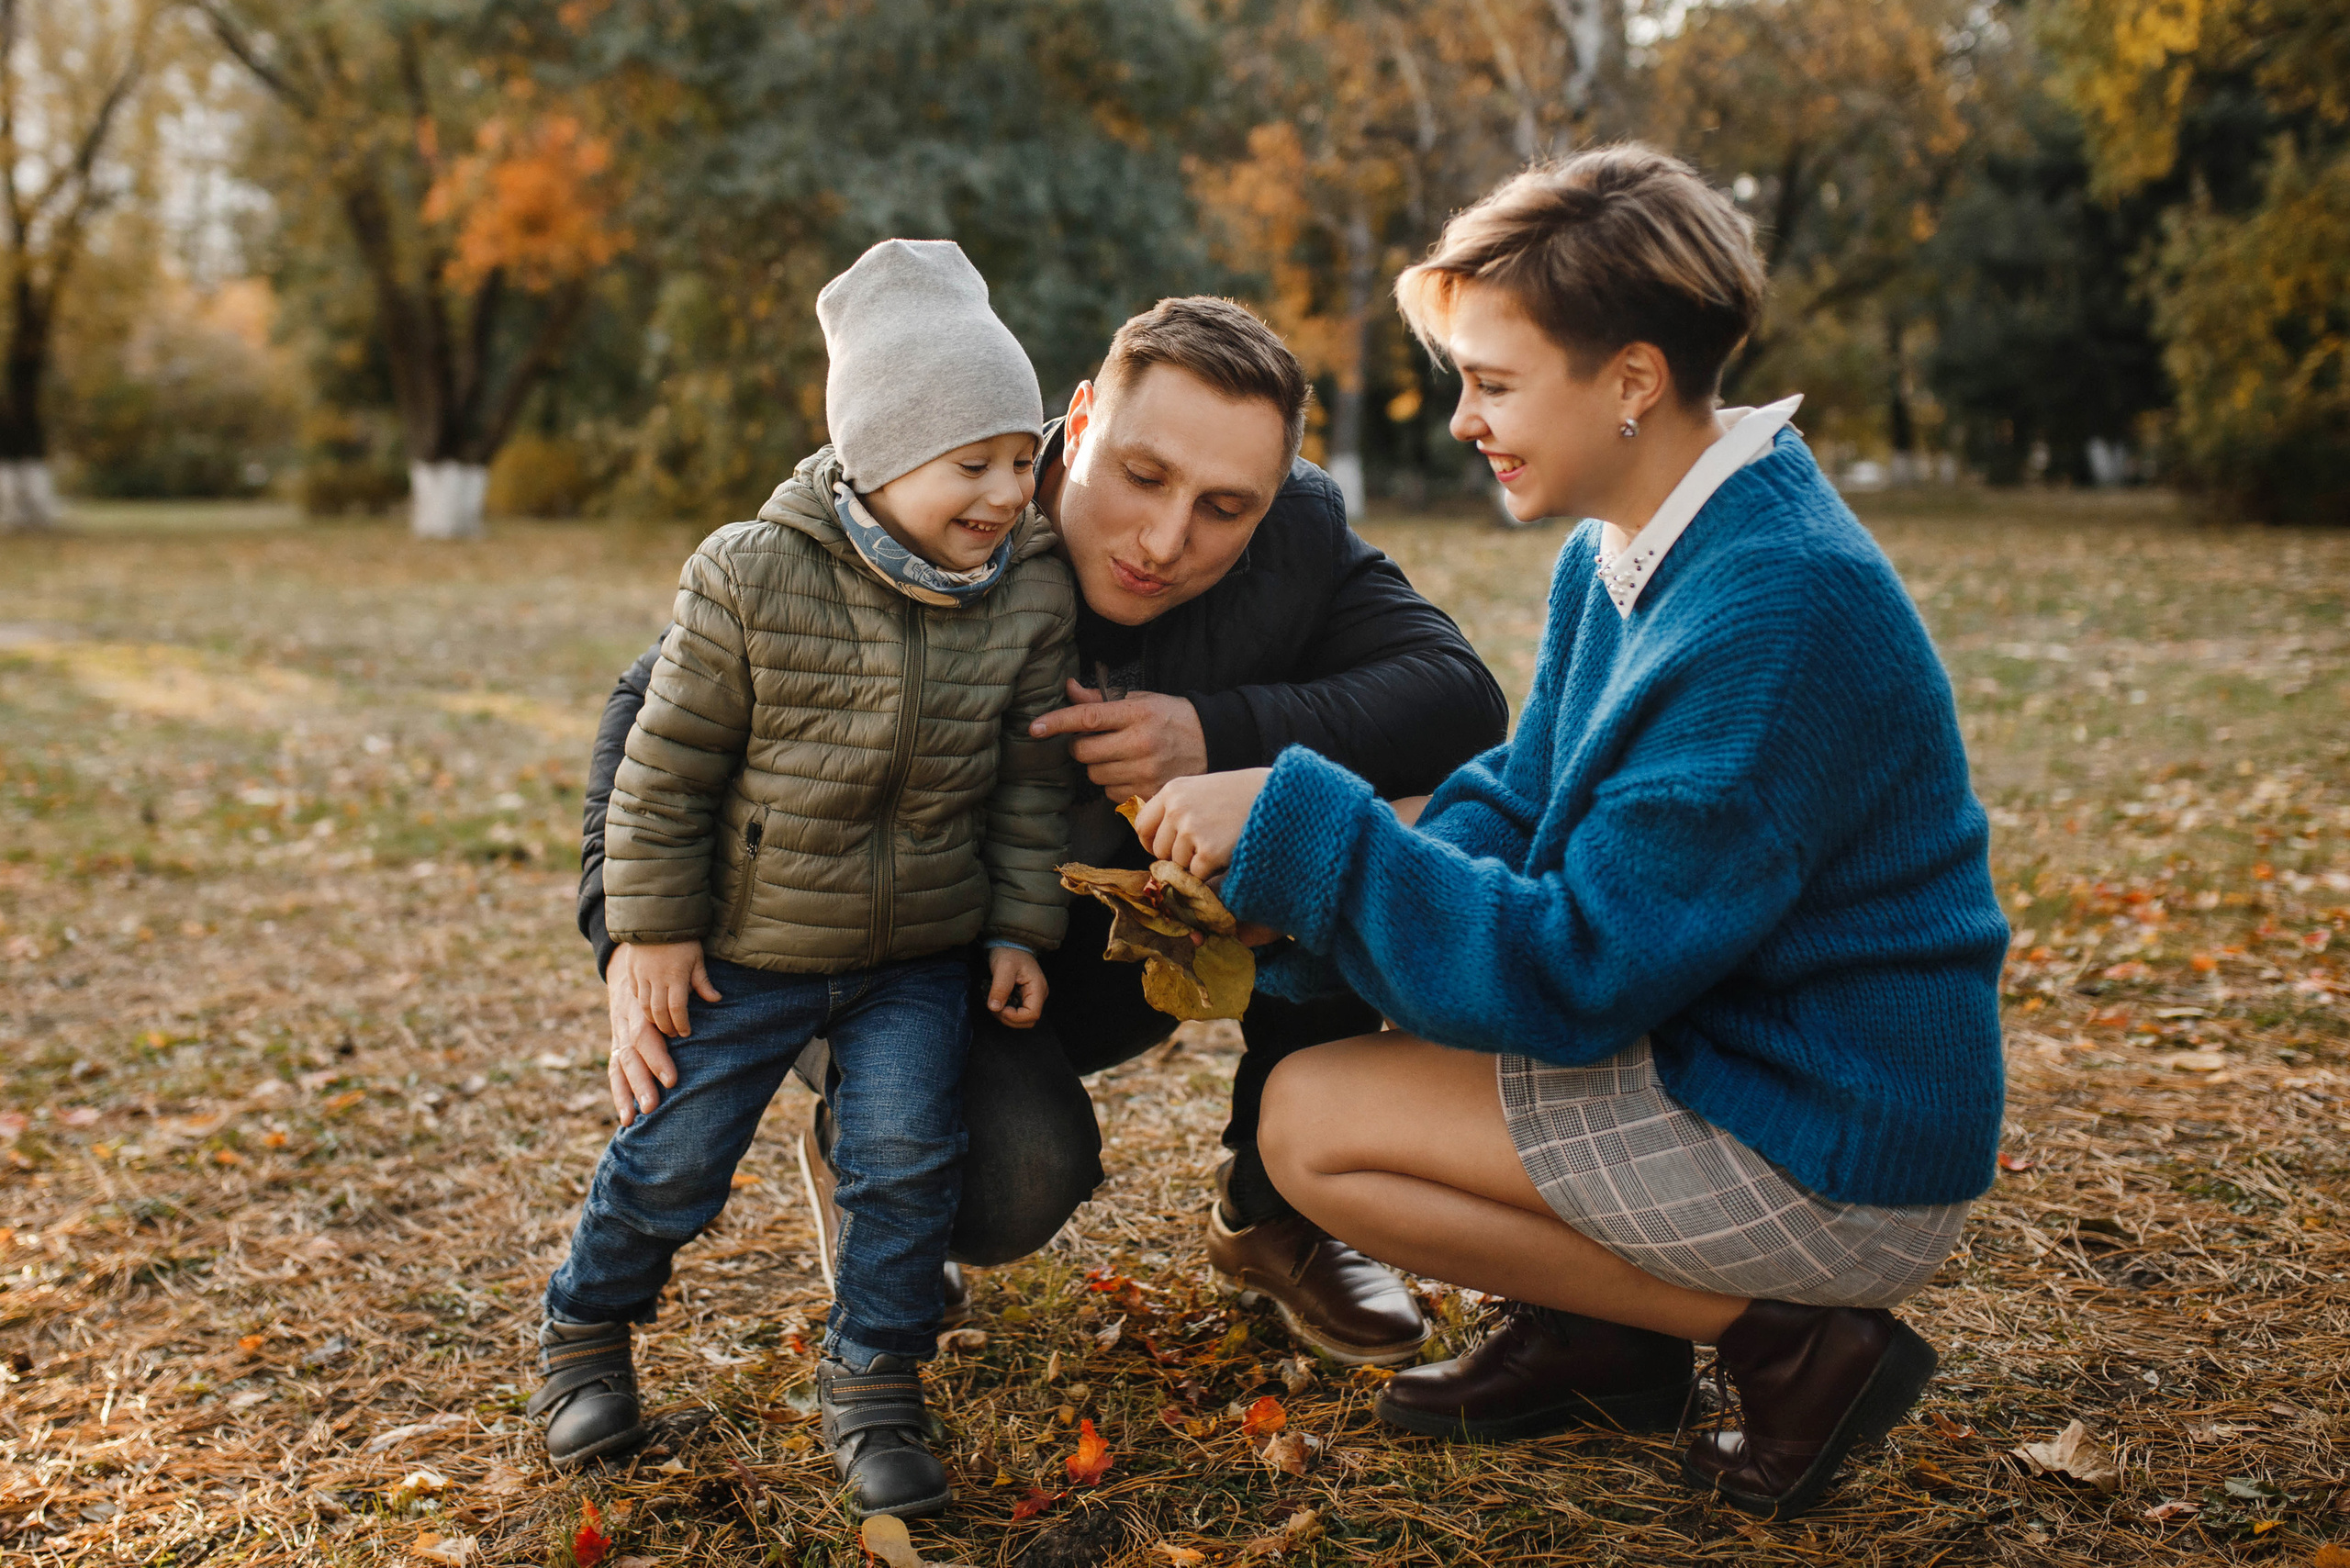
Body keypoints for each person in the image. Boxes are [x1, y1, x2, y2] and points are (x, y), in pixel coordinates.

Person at [1134, 145, 2009, 1521]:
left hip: (1827, 1135)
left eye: (1492, 383)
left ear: (1632, 381)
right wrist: (1300, 882)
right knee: (1381, 1046)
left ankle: (1794, 1347)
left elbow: (1576, 969)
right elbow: (1521, 804)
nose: (1463, 420)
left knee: (1313, 1129)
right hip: (1725, 1046)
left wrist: (1311, 828)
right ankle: (1611, 1341)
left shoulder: (1774, 610)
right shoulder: (1633, 547)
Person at [580, 297, 1509, 1368]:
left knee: (1350, 820)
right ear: (1076, 423)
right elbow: (645, 710)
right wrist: (629, 931)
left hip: (1111, 948)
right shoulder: (930, 498)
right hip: (888, 951)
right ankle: (864, 1137)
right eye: (1143, 476)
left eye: (1223, 506)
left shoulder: (1297, 529)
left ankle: (1273, 1213)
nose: (1166, 540)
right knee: (1014, 1181)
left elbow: (1458, 700)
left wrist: (1218, 733)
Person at [532, 239, 1077, 1519]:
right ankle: (585, 1331)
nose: (1009, 490)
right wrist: (647, 932)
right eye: (974, 463)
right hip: (749, 944)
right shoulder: (749, 575)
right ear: (881, 456)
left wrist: (1015, 927)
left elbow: (1024, 784)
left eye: (1022, 458)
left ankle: (877, 1378)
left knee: (904, 1158)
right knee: (676, 1159)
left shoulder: (1027, 591)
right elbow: (663, 773)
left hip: (917, 957)